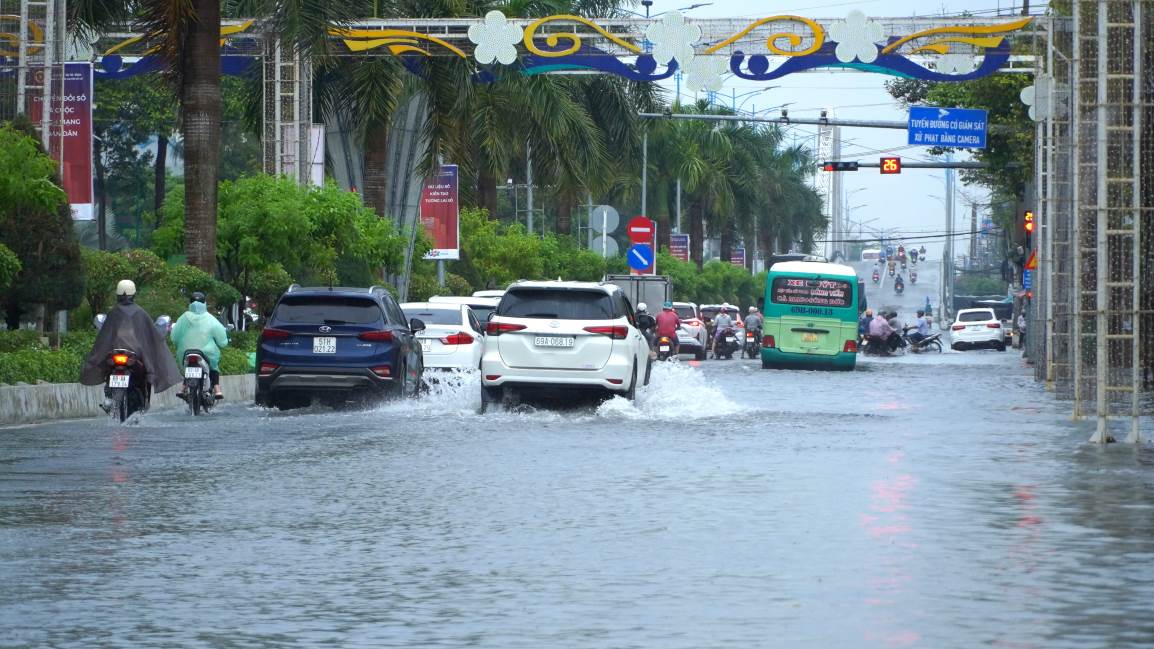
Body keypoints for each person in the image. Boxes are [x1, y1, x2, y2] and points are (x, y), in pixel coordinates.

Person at [81, 279, 182, 403]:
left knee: (107, 365)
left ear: (118, 295)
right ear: (133, 294)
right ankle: (143, 400)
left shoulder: (113, 312)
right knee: (148, 368)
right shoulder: (140, 312)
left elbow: (104, 338)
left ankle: (110, 398)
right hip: (136, 354)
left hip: (115, 353)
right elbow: (151, 334)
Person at [172, 291, 230, 399]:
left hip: (185, 352)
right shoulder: (211, 319)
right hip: (207, 353)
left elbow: (174, 337)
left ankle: (183, 388)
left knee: (188, 368)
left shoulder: (183, 318)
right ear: (205, 303)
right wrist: (223, 343)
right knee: (213, 367)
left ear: (190, 303)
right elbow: (222, 341)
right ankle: (217, 389)